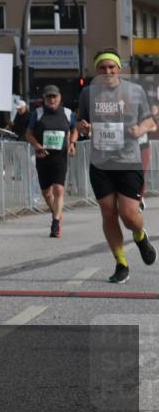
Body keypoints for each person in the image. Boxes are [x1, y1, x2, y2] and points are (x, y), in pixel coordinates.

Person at [76, 49, 157, 284]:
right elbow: (83, 123)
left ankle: (140, 236)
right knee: (108, 212)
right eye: (103, 68)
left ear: (119, 68)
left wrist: (140, 130)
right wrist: (83, 128)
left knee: (129, 215)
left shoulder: (134, 91)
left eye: (112, 67)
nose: (108, 72)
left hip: (128, 160)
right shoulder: (88, 93)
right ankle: (121, 262)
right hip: (101, 162)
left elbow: (150, 120)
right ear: (97, 70)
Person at [25, 85, 77, 237]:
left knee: (59, 189)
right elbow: (28, 134)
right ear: (44, 99)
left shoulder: (67, 113)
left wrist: (72, 143)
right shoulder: (38, 113)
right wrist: (37, 146)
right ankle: (56, 212)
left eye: (54, 96)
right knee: (46, 193)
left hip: (60, 157)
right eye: (49, 97)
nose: (52, 99)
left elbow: (75, 129)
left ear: (60, 98)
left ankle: (55, 224)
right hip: (43, 157)